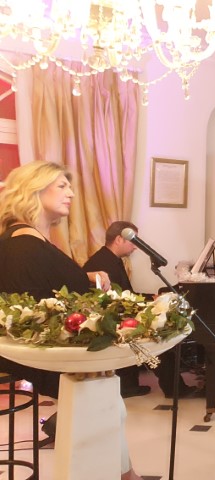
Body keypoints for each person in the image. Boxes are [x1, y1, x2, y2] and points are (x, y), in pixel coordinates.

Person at [0, 161, 142, 480]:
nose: (72, 194)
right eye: (62, 186)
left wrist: (87, 279)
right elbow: (37, 306)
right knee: (106, 397)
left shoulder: (26, 239)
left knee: (109, 397)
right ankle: (121, 473)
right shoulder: (25, 245)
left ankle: (125, 473)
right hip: (37, 352)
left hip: (42, 346)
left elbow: (49, 287)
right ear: (34, 189)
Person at [83, 221, 197, 399]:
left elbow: (125, 294)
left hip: (116, 314)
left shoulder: (109, 258)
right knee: (159, 336)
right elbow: (117, 300)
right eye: (133, 241)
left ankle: (130, 385)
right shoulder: (104, 263)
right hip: (111, 320)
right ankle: (173, 389)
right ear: (119, 239)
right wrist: (149, 301)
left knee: (157, 327)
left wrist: (151, 297)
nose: (135, 247)